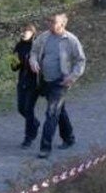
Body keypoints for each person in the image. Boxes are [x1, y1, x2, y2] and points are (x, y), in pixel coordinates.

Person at [29, 13, 86, 159]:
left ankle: (45, 148)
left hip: (61, 82)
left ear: (63, 24)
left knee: (51, 113)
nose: (50, 24)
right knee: (59, 111)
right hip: (44, 80)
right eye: (49, 21)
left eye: (53, 22)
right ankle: (69, 138)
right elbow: (34, 51)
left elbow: (81, 60)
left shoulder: (71, 40)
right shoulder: (44, 37)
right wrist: (33, 61)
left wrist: (72, 77)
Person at [11, 24, 40, 147]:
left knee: (28, 109)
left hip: (34, 82)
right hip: (22, 81)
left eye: (26, 31)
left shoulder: (37, 46)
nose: (23, 33)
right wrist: (13, 61)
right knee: (21, 108)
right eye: (22, 31)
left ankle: (28, 138)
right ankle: (35, 123)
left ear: (32, 33)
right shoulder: (18, 46)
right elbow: (14, 67)